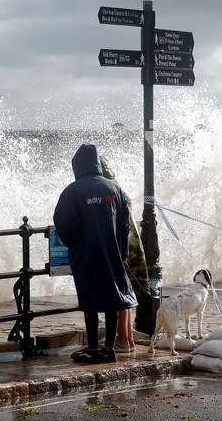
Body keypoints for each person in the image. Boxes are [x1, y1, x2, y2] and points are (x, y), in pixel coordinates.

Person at [53, 144, 137, 363]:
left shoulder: (73, 190)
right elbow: (125, 224)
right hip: (113, 254)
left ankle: (92, 348)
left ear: (77, 165)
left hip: (86, 254)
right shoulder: (115, 188)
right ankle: (109, 348)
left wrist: (73, 242)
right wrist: (123, 252)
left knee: (90, 300)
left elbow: (62, 222)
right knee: (112, 298)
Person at [99, 157, 150, 353]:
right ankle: (127, 339)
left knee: (119, 297)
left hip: (123, 250)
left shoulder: (108, 191)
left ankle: (122, 339)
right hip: (132, 248)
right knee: (125, 295)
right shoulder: (119, 189)